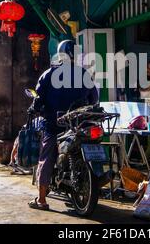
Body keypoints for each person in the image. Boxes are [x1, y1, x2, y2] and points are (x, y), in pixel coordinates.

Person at [28, 40, 99, 210]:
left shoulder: (49, 74)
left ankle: (41, 200)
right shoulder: (84, 74)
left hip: (54, 125)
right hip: (79, 124)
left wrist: (34, 108)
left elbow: (38, 99)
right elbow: (94, 99)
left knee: (46, 157)